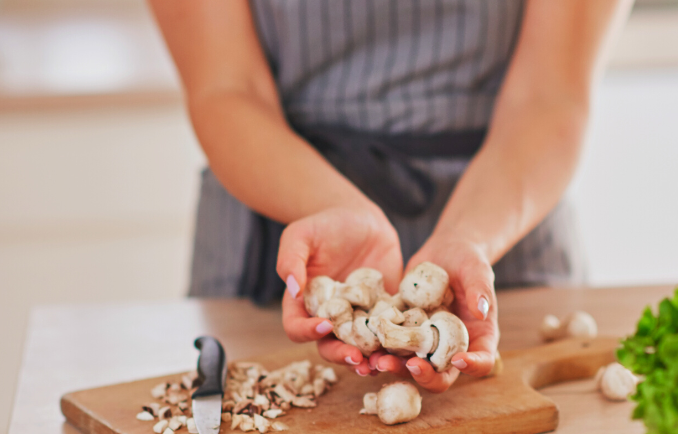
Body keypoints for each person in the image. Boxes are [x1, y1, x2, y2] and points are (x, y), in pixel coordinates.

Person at [150, 0, 631, 393]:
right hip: (277, 220)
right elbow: (226, 89)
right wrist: (330, 207)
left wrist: (471, 237)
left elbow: (550, 96)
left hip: (505, 223)